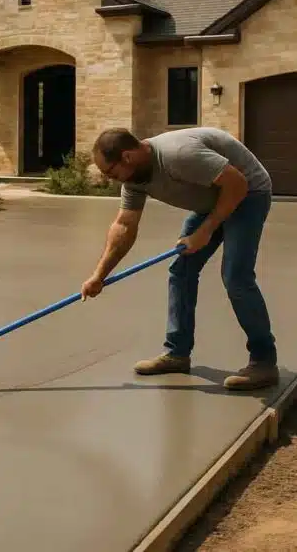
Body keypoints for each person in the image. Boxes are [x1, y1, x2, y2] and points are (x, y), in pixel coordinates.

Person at [80, 126, 279, 390]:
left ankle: (264, 361)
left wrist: (206, 231)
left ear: (127, 157)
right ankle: (177, 353)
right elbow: (125, 226)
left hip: (248, 193)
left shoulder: (179, 155)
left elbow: (237, 183)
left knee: (236, 276)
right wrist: (99, 276)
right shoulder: (134, 179)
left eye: (110, 172)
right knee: (181, 270)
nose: (112, 179)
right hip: (212, 199)